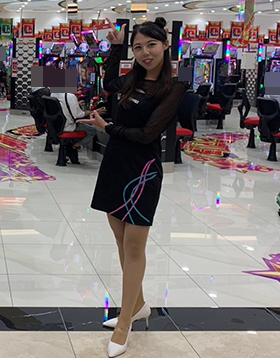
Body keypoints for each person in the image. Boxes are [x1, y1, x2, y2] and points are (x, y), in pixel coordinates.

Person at [78, 20, 185, 358]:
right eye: (138, 47)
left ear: (164, 45)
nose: (144, 53)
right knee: (120, 240)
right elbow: (109, 83)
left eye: (150, 45)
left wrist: (107, 128)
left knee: (135, 247)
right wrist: (115, 48)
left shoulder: (174, 88)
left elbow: (148, 134)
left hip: (143, 173)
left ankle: (125, 323)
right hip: (115, 165)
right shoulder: (131, 80)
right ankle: (137, 306)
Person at [50, 90, 97, 157]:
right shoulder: (70, 96)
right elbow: (78, 115)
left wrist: (76, 104)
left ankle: (69, 147)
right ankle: (74, 147)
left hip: (56, 126)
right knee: (92, 130)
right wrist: (95, 112)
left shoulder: (53, 94)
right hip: (68, 126)